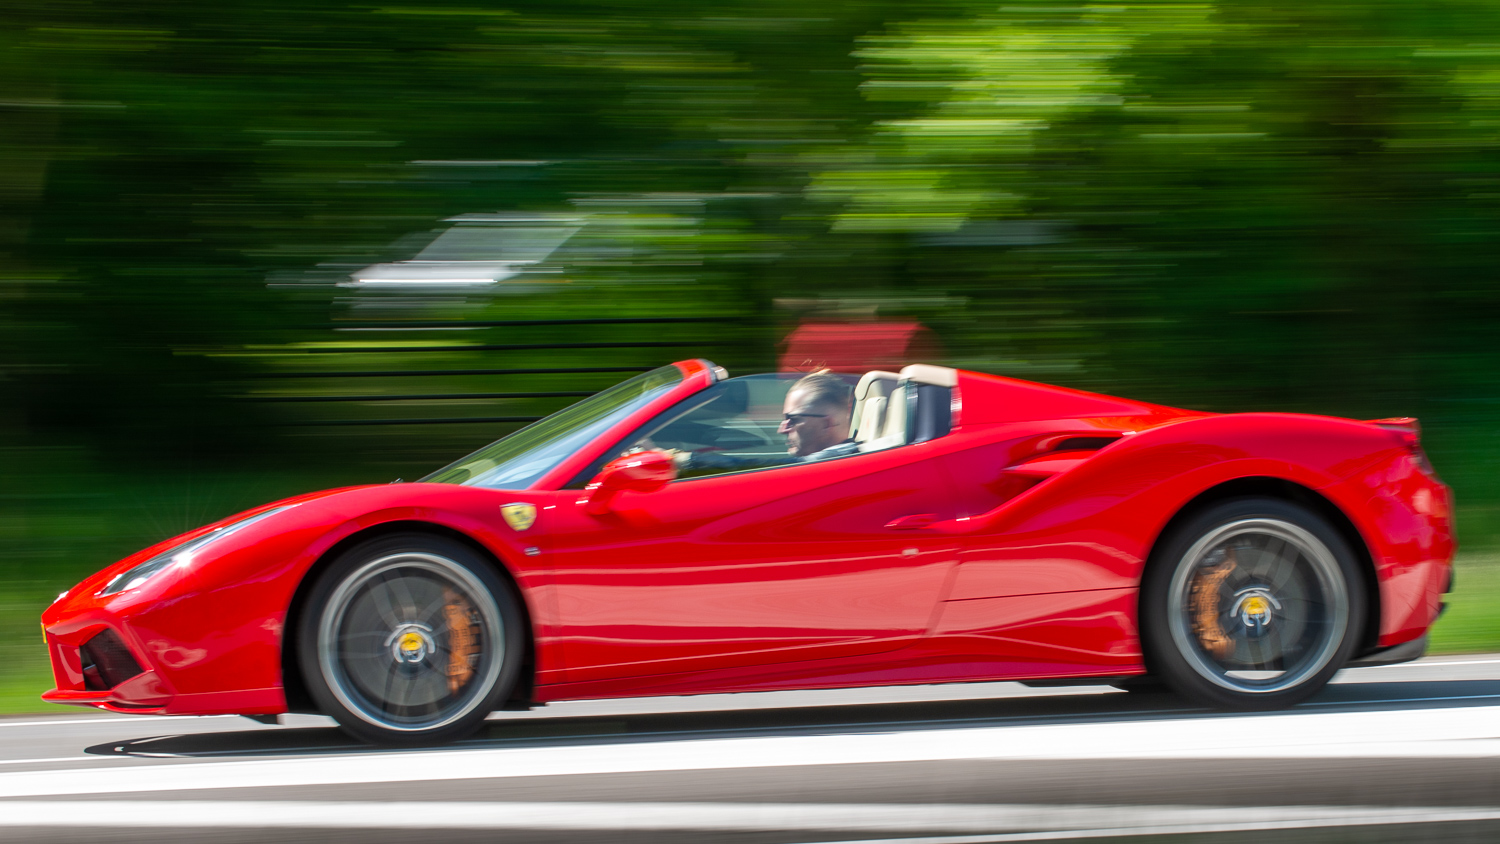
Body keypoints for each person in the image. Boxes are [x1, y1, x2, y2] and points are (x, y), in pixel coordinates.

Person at [777, 370, 858, 461]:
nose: (782, 430)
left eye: (794, 419)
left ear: (826, 425)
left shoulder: (838, 463)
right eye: (785, 419)